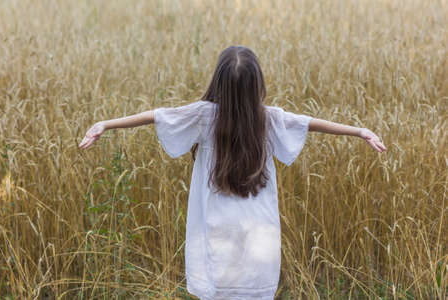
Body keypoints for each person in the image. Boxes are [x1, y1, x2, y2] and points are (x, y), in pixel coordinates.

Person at [79, 46, 386, 300]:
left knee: (218, 289)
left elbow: (156, 116)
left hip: (214, 227)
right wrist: (359, 131)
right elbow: (310, 122)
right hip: (258, 230)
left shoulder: (204, 116)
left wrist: (106, 124)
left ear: (218, 82)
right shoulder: (267, 119)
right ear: (257, 86)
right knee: (253, 289)